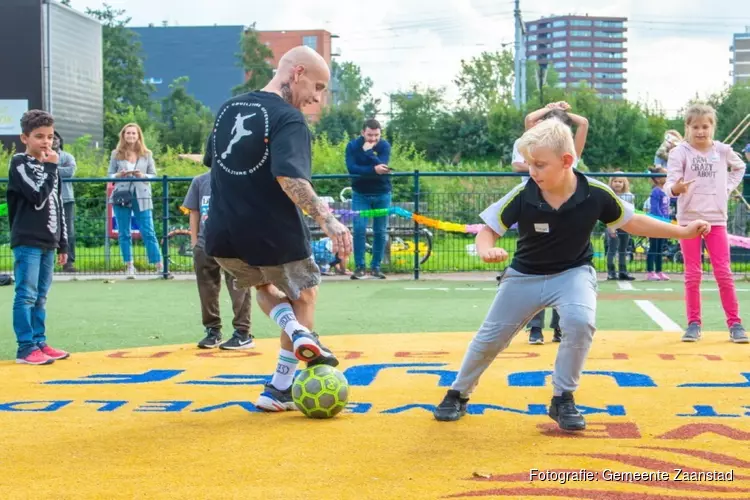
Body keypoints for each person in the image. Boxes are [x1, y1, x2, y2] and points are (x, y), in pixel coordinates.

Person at [432, 118, 710, 430]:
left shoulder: (596, 193)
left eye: (539, 165)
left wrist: (683, 232)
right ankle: (458, 393)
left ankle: (563, 398)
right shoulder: (522, 194)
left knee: (579, 322)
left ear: (566, 161)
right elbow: (488, 231)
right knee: (489, 339)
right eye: (529, 164)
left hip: (573, 274)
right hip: (524, 276)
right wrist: (486, 249)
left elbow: (633, 222)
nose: (532, 172)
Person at [203, 45, 353, 412]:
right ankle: (281, 385)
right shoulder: (288, 118)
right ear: (297, 73)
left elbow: (212, 164)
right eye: (317, 87)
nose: (316, 99)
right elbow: (289, 176)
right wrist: (329, 220)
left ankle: (287, 352)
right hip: (274, 232)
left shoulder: (227, 110)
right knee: (305, 294)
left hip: (222, 234)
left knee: (262, 287)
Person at [665, 103, 748, 344]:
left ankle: (735, 323)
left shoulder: (722, 150)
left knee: (724, 272)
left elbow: (740, 167)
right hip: (689, 219)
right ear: (687, 127)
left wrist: (727, 187)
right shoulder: (679, 152)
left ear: (713, 127)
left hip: (716, 219)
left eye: (705, 126)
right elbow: (670, 184)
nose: (701, 131)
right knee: (693, 273)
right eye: (695, 127)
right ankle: (693, 323)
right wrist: (676, 188)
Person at [511, 101, 589, 345]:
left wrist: (563, 114)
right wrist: (549, 109)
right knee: (536, 266)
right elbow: (528, 120)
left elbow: (583, 123)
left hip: (565, 213)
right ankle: (535, 327)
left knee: (564, 269)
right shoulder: (537, 150)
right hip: (536, 209)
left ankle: (559, 327)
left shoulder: (569, 153)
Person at [6, 110, 70, 365]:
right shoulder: (19, 163)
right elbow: (37, 196)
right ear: (25, 138)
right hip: (27, 240)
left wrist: (63, 241)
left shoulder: (51, 168)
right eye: (39, 136)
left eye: (50, 137)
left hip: (48, 241)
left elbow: (57, 205)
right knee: (26, 294)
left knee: (41, 294)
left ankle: (39, 341)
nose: (46, 142)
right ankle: (25, 347)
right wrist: (51, 167)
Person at [183, 170, 253, 350]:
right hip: (205, 242)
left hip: (235, 242)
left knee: (239, 286)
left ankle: (242, 332)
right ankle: (212, 330)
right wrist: (195, 242)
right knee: (206, 287)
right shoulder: (200, 181)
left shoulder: (241, 177)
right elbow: (194, 212)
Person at [108, 123, 163, 277]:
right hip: (122, 195)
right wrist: (118, 175)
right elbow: (109, 175)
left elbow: (153, 174)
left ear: (138, 136)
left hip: (142, 195)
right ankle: (129, 266)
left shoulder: (147, 154)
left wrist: (143, 175)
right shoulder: (116, 154)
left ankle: (159, 265)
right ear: (123, 135)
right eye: (128, 133)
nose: (131, 136)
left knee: (148, 230)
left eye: (133, 133)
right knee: (124, 232)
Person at [345, 119, 392, 279]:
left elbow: (383, 167)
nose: (373, 139)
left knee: (380, 231)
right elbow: (352, 168)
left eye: (376, 135)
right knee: (359, 229)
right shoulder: (352, 146)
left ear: (380, 134)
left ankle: (376, 267)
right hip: (360, 194)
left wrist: (368, 153)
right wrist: (373, 169)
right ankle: (360, 267)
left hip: (382, 194)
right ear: (362, 133)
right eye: (370, 135)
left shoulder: (384, 146)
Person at [54, 131, 77, 273]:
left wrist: (50, 167)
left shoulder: (67, 156)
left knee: (68, 231)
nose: (53, 141)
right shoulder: (40, 156)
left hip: (66, 198)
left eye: (55, 138)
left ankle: (68, 262)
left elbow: (70, 171)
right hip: (46, 198)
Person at [606, 173, 635, 281]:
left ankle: (623, 271)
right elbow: (607, 212)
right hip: (612, 224)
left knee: (623, 249)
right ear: (611, 182)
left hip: (625, 224)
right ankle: (611, 272)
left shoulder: (629, 196)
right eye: (615, 181)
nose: (618, 184)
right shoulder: (609, 195)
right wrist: (611, 227)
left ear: (624, 183)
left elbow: (631, 212)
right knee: (612, 249)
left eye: (620, 181)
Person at [646, 166, 671, 281]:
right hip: (655, 223)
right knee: (653, 247)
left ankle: (659, 271)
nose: (667, 177)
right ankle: (650, 271)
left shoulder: (666, 191)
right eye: (664, 175)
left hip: (664, 223)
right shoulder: (656, 191)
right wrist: (661, 219)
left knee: (660, 248)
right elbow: (655, 208)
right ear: (657, 178)